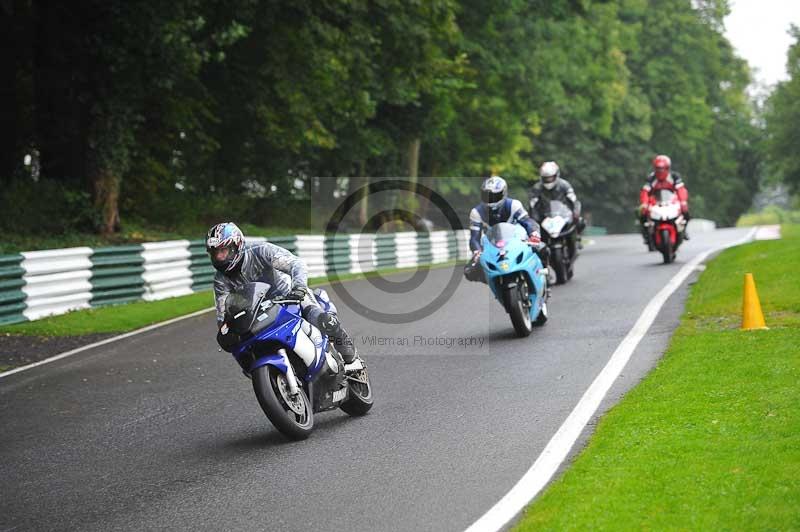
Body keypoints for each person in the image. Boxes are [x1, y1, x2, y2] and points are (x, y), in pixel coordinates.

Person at [207, 222, 357, 363]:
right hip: (258, 314)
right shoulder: (220, 281)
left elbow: (295, 263)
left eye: (223, 251)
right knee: (243, 350)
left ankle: (350, 358)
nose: (219, 257)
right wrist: (226, 331)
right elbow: (223, 313)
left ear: (236, 246)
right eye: (215, 253)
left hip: (289, 296)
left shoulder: (260, 251)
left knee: (321, 318)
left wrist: (298, 287)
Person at [463, 175, 546, 282]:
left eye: (494, 196)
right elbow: (474, 237)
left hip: (518, 241)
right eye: (487, 196)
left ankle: (544, 275)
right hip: (493, 246)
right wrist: (476, 251)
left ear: (503, 194)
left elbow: (527, 222)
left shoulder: (513, 205)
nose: (490, 200)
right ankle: (494, 281)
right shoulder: (476, 212)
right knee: (470, 271)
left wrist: (534, 234)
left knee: (544, 249)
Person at [529, 161, 585, 251]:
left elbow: (573, 200)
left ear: (556, 175)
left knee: (580, 221)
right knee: (534, 231)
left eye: (550, 177)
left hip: (563, 214)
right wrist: (534, 217)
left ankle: (577, 239)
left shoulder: (564, 185)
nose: (548, 180)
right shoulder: (537, 188)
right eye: (546, 178)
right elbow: (532, 205)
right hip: (545, 216)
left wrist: (575, 212)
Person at [638, 155, 690, 244]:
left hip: (671, 200)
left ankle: (683, 230)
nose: (660, 171)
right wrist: (644, 203)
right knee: (642, 213)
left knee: (685, 211)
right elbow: (645, 192)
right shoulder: (651, 178)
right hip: (655, 201)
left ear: (668, 168)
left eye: (663, 169)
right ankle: (647, 234)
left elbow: (681, 190)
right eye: (658, 169)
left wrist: (683, 201)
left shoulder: (674, 176)